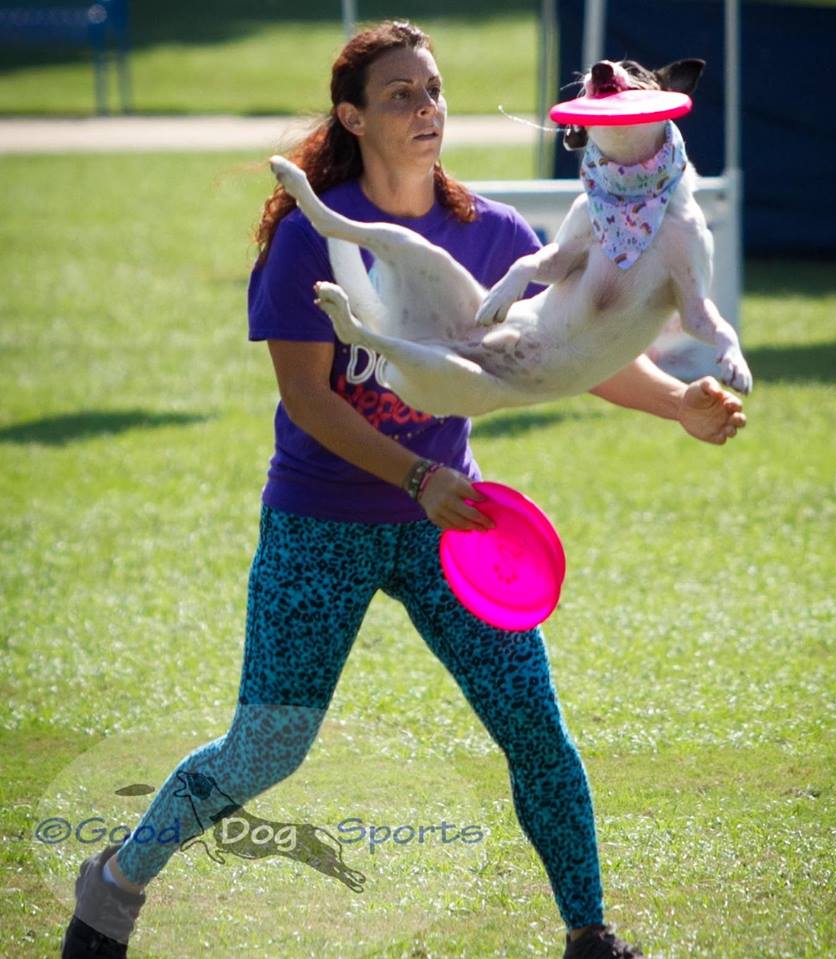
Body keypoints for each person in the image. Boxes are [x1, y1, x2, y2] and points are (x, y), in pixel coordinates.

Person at [60, 20, 746, 959]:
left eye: (433, 91)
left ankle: (591, 936)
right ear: (354, 116)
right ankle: (115, 884)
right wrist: (415, 474)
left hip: (453, 523)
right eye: (401, 96)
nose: (426, 110)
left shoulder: (495, 232)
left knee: (536, 731)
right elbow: (306, 398)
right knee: (267, 748)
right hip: (321, 523)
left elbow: (561, 357)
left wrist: (680, 406)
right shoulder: (310, 237)